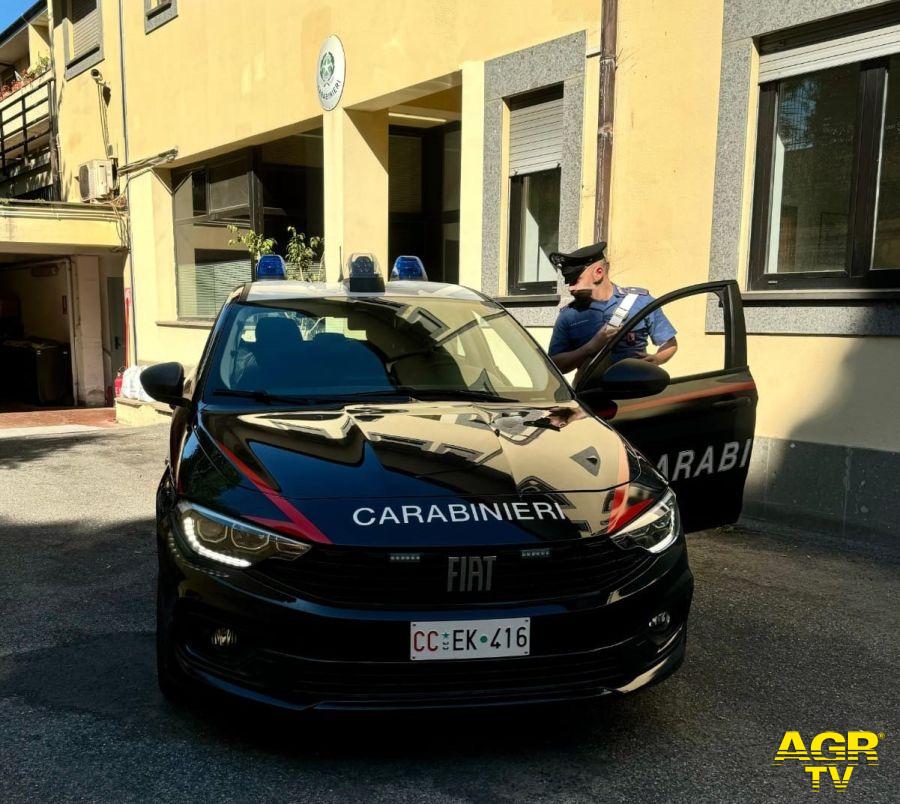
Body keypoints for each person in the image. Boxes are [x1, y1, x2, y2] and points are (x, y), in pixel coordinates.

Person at [546, 241, 677, 375]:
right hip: (591, 393)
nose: (570, 288)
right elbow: (554, 365)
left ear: (598, 272)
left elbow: (670, 343)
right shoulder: (569, 315)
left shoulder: (640, 301)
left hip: (636, 391)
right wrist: (590, 348)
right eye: (568, 282)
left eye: (576, 280)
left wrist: (657, 359)